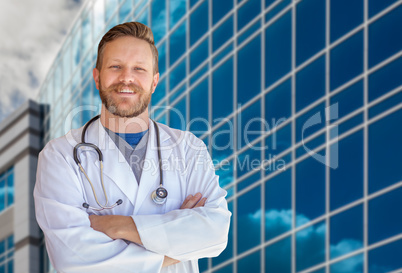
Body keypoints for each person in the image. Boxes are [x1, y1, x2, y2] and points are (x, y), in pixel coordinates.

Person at [34, 22, 231, 273]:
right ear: (97, 77)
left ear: (154, 82)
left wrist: (118, 226)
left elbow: (215, 232)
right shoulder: (59, 156)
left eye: (139, 68)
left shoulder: (188, 148)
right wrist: (178, 241)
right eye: (116, 67)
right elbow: (74, 260)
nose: (127, 77)